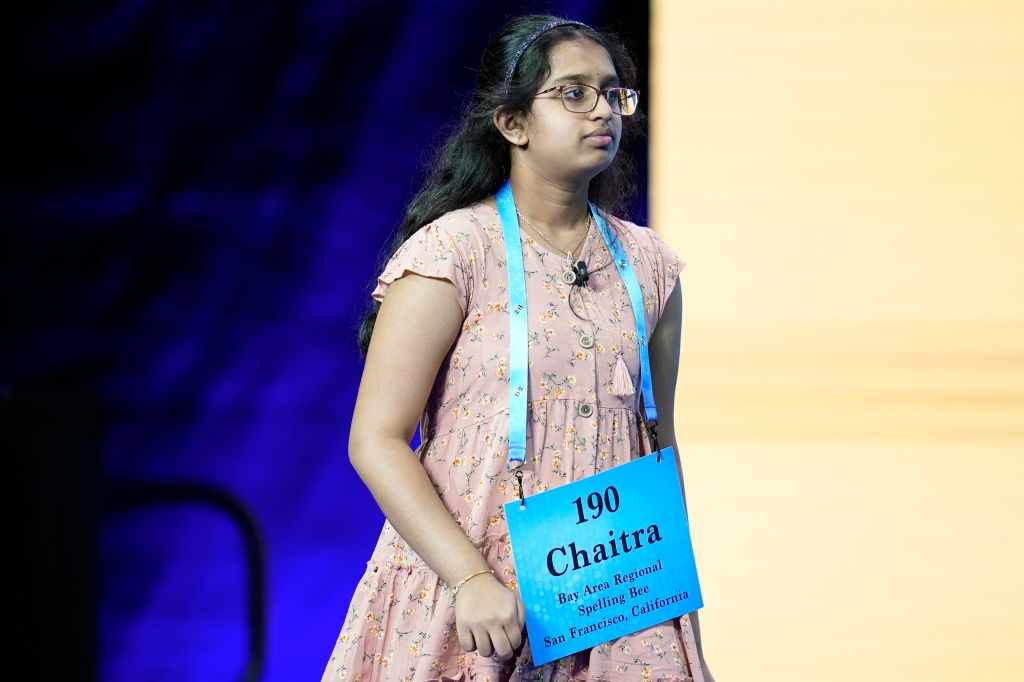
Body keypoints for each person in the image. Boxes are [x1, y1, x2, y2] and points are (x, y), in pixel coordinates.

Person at [321, 14, 715, 682]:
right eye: (574, 93)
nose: (603, 111)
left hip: (619, 600)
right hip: (474, 592)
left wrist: (688, 636)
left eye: (612, 93)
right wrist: (469, 577)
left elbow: (659, 449)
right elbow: (376, 439)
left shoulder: (650, 265)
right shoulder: (454, 251)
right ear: (512, 123)